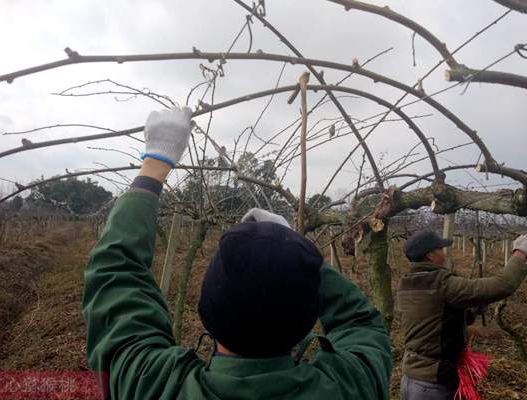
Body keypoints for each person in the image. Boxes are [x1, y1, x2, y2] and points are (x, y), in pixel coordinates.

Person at [81, 106, 392, 400]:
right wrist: (292, 251)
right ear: (307, 319)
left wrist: (154, 165)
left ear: (206, 309)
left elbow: (115, 276)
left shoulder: (155, 385)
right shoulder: (350, 387)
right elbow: (362, 325)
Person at [397, 230, 527, 400]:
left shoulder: (407, 283)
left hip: (410, 380)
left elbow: (434, 317)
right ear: (430, 255)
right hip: (432, 385)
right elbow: (502, 285)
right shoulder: (444, 284)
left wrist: (472, 310)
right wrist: (520, 252)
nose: (444, 253)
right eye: (440, 249)